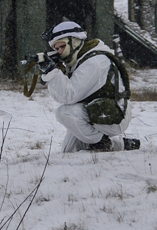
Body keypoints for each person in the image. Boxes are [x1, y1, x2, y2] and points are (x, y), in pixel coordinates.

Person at [39, 21, 138, 152]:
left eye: (62, 46)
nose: (60, 52)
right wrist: (53, 72)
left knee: (64, 113)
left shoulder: (95, 61)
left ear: (74, 42)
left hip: (113, 115)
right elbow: (62, 96)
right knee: (69, 151)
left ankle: (102, 143)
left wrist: (53, 72)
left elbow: (68, 96)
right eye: (56, 49)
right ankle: (121, 145)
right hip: (97, 110)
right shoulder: (79, 60)